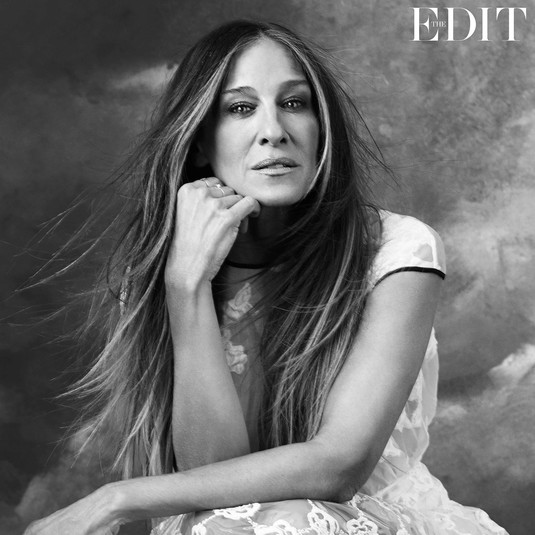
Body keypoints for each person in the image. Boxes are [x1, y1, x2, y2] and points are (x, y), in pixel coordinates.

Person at [25, 20, 508, 535]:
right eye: (240, 108)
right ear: (200, 143)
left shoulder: (398, 249)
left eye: (294, 103)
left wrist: (116, 500)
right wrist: (187, 287)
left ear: (322, 129)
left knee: (287, 522)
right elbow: (216, 485)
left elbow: (339, 466)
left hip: (377, 520)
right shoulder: (165, 274)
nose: (274, 130)